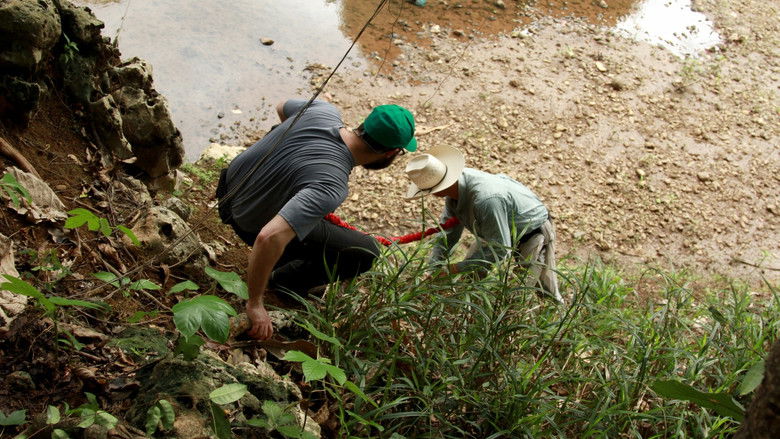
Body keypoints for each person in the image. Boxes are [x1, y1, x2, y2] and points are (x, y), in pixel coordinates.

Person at [217, 99, 418, 340]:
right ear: (391, 153)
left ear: (364, 124)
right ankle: (283, 281)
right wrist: (255, 303)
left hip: (228, 190)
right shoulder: (331, 185)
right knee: (365, 251)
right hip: (246, 220)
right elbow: (268, 237)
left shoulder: (323, 110)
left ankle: (281, 261)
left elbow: (281, 107)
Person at [404, 145, 562, 302]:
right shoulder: (453, 193)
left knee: (534, 291)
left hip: (532, 232)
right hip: (494, 229)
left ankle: (557, 311)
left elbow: (500, 249)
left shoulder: (485, 199)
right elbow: (448, 234)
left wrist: (454, 268)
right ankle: (467, 309)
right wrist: (434, 268)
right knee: (469, 278)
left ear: (437, 189)